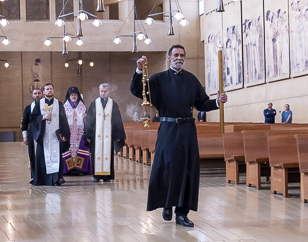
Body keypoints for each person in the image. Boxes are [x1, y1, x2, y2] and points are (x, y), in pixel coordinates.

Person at [130, 45, 228, 227]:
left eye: (182, 55)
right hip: (168, 129)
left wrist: (217, 101)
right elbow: (137, 90)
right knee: (167, 168)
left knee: (187, 170)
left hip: (187, 130)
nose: (179, 57)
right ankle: (167, 204)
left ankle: (182, 212)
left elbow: (202, 103)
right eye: (175, 54)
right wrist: (138, 70)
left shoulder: (191, 79)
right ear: (168, 58)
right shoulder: (158, 79)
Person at [83, 83, 126, 182]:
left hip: (108, 136)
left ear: (109, 91)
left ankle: (107, 176)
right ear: (99, 91)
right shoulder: (94, 104)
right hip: (96, 135)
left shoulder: (113, 104)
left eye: (105, 91)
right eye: (101, 91)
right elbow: (89, 120)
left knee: (108, 155)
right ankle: (96, 176)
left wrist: (118, 135)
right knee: (95, 154)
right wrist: (88, 134)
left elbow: (117, 120)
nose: (103, 93)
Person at [31, 83, 70, 186]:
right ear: (43, 92)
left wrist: (65, 134)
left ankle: (57, 179)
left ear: (53, 90)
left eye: (51, 89)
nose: (49, 91)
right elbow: (33, 119)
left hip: (55, 136)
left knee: (56, 156)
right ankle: (43, 179)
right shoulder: (39, 104)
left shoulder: (59, 104)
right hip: (43, 136)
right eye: (47, 89)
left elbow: (63, 120)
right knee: (43, 157)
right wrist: (43, 117)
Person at [62, 86, 92, 175]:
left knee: (82, 149)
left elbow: (88, 121)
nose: (74, 96)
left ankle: (81, 169)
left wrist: (87, 117)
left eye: (75, 95)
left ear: (78, 96)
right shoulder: (64, 107)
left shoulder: (83, 107)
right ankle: (68, 169)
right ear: (69, 96)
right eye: (72, 95)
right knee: (68, 150)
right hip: (69, 134)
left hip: (80, 134)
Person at [21, 88, 43, 183]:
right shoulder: (28, 108)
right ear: (32, 95)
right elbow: (24, 123)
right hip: (32, 134)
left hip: (44, 134)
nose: (37, 95)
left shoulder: (46, 106)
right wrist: (25, 136)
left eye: (39, 93)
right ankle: (35, 176)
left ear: (42, 94)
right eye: (35, 93)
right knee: (33, 155)